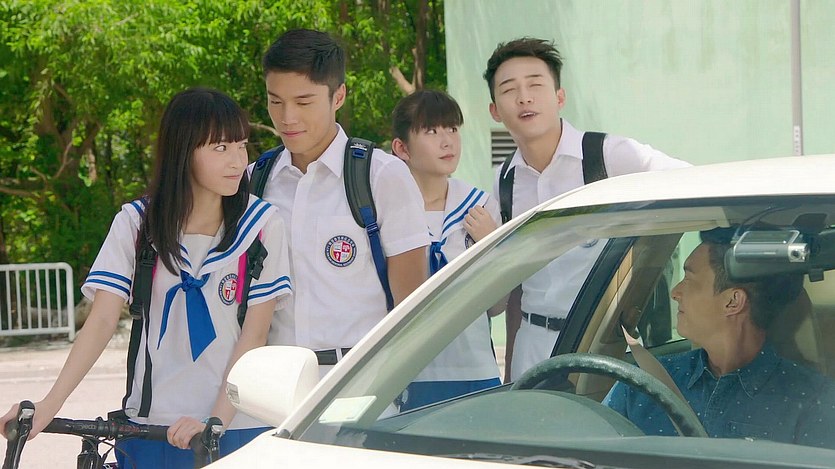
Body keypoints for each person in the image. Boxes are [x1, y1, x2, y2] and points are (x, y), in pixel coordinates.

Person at [0, 88, 293, 467]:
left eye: (241, 145)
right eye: (221, 148)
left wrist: (215, 421)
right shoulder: (137, 224)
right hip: (150, 426)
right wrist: (47, 406)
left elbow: (254, 335)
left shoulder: (261, 226)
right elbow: (102, 320)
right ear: (182, 151)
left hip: (235, 427)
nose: (238, 161)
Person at [483, 37, 690, 381]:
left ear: (559, 97)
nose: (524, 97)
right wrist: (512, 370)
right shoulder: (505, 180)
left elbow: (691, 183)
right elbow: (518, 285)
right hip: (532, 347)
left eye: (535, 84)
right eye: (509, 89)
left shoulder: (608, 155)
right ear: (495, 111)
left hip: (606, 346)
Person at [256, 29, 429, 374]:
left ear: (338, 96)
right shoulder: (255, 180)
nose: (287, 118)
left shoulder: (381, 176)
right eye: (275, 101)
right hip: (272, 382)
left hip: (357, 378)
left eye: (303, 102)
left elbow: (411, 306)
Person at [604, 228, 835, 448]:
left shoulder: (814, 403)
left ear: (733, 302)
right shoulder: (640, 383)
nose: (675, 292)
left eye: (689, 279)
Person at [390, 90, 501, 410]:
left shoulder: (480, 206)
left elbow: (497, 307)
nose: (447, 141)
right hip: (405, 372)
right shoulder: (386, 210)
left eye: (452, 129)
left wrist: (491, 244)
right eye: (431, 131)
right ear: (402, 148)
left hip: (474, 368)